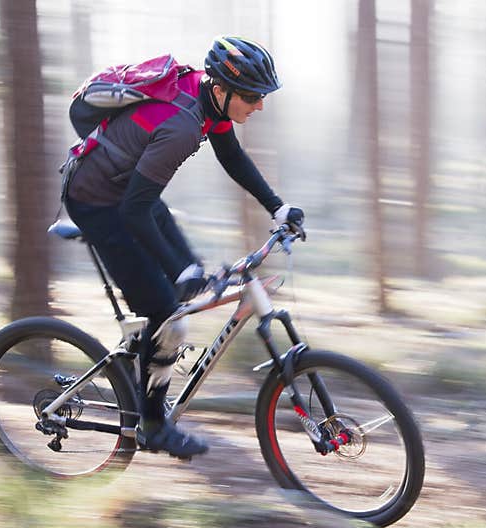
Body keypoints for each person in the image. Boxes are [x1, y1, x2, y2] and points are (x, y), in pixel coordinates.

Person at [63, 36, 305, 458]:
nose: (259, 104)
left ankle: (146, 356)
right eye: (251, 96)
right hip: (99, 202)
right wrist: (179, 270)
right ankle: (153, 426)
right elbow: (135, 212)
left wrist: (277, 207)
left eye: (260, 95)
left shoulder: (203, 96)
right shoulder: (181, 125)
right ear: (222, 89)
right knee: (166, 306)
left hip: (130, 195)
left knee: (182, 281)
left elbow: (231, 156)